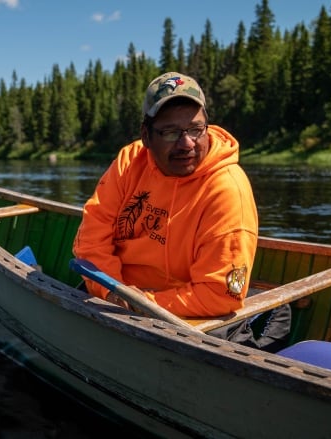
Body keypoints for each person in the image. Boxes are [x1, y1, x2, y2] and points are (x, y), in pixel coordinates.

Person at [73, 71, 259, 319]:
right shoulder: (129, 162)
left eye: (195, 129)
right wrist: (112, 291)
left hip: (184, 315)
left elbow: (219, 294)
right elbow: (91, 239)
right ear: (146, 136)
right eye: (170, 132)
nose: (186, 144)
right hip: (117, 292)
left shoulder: (226, 190)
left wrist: (140, 303)